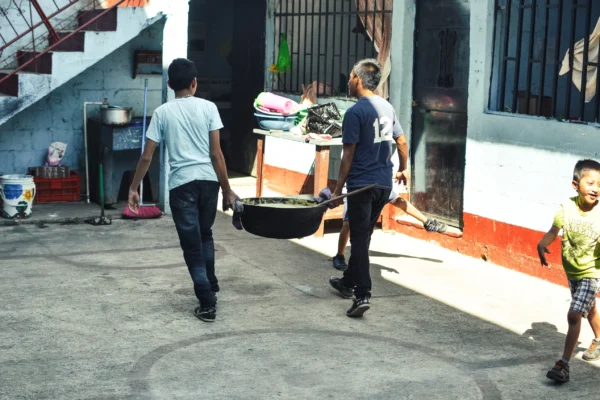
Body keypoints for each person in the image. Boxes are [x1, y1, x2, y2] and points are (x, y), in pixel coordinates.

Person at [128, 58, 238, 323]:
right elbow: (216, 154)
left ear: (169, 85)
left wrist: (134, 187)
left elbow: (147, 157)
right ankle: (210, 284)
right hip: (209, 183)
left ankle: (207, 301)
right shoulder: (209, 107)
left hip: (181, 185)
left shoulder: (162, 112)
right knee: (205, 235)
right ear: (194, 83)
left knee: (192, 246)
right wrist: (228, 190)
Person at [328, 58, 404, 317]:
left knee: (359, 240)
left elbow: (347, 155)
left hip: (362, 186)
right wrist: (404, 168)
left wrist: (337, 190)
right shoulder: (388, 108)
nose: (347, 81)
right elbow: (401, 141)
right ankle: (348, 281)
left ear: (358, 80)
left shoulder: (355, 113)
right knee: (364, 235)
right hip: (383, 183)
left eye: (350, 77)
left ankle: (362, 294)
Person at [538, 159, 600, 382]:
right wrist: (542, 243)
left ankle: (563, 365)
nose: (595, 188)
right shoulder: (566, 207)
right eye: (590, 182)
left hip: (591, 273)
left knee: (574, 314)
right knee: (588, 307)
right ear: (575, 185)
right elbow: (553, 231)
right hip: (572, 272)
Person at [332, 184, 449, 271]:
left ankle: (427, 222)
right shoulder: (352, 151)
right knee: (348, 224)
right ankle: (339, 255)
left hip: (377, 185)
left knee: (399, 200)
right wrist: (338, 191)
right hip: (356, 187)